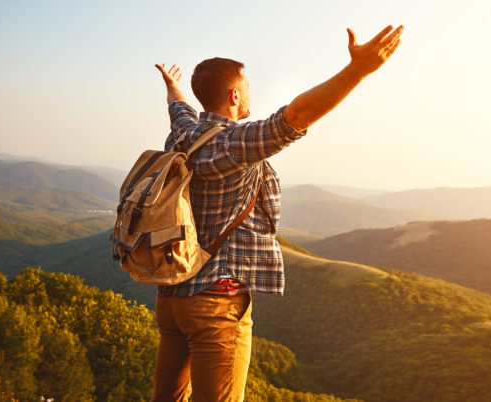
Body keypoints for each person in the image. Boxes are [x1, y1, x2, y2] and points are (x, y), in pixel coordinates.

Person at [151, 25, 403, 401]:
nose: (251, 92)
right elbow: (297, 115)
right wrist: (358, 70)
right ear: (235, 95)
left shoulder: (184, 135)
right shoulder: (233, 144)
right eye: (248, 86)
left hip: (172, 300)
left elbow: (179, 109)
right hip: (215, 303)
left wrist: (173, 86)